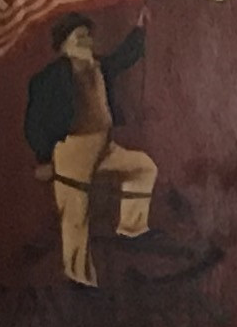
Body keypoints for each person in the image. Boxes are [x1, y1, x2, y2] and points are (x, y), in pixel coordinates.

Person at [22, 14, 155, 286]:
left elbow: (124, 57)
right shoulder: (50, 78)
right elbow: (35, 122)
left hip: (104, 146)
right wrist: (44, 158)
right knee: (75, 214)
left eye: (87, 36)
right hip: (71, 150)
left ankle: (131, 229)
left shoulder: (100, 66)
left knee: (142, 168)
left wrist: (140, 28)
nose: (86, 41)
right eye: (79, 37)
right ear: (63, 44)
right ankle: (78, 277)